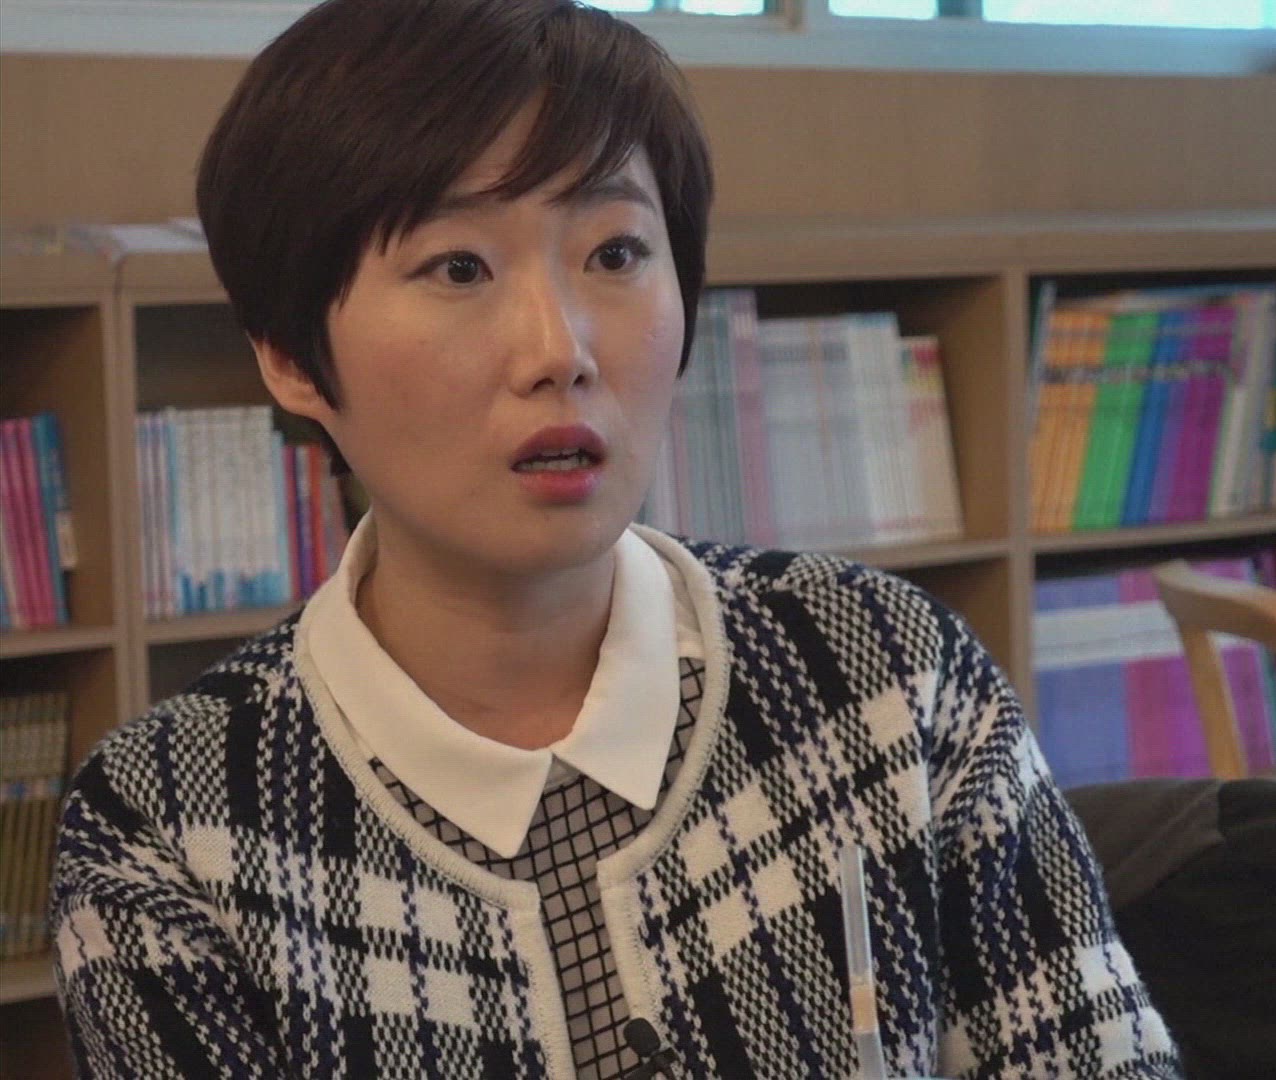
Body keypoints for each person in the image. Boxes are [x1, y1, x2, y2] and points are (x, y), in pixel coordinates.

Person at [48, 0, 1181, 1076]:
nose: (561, 349)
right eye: (458, 267)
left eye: (616, 254)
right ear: (293, 358)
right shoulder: (167, 830)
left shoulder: (883, 668)